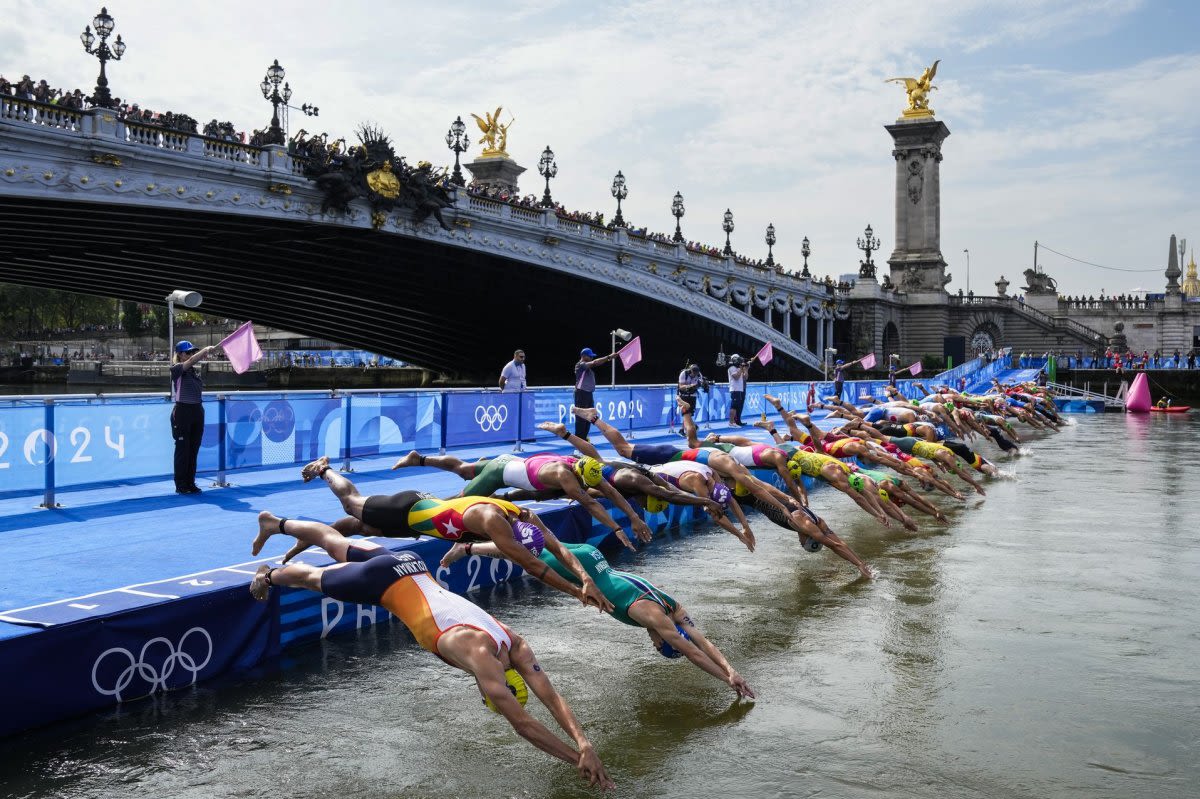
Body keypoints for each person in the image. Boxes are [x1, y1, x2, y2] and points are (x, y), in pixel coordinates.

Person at [249, 518, 615, 789]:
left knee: (334, 540)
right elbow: (522, 724)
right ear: (489, 688)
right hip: (382, 584)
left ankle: (277, 523)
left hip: (410, 564)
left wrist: (584, 743)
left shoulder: (513, 643)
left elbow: (551, 696)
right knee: (310, 578)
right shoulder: (479, 654)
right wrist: (576, 759)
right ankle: (268, 576)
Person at [442, 532, 755, 698]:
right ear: (662, 642)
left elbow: (701, 641)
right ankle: (467, 547)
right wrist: (726, 679)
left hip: (596, 561)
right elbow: (692, 652)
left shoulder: (672, 607)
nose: (655, 647)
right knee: (525, 554)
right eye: (659, 648)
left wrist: (731, 670)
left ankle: (472, 543)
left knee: (534, 544)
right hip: (587, 570)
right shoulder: (651, 616)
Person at [392, 450, 653, 548]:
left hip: (509, 461)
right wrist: (617, 527)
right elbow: (592, 503)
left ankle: (420, 459)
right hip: (500, 473)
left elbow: (610, 491)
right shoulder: (566, 477)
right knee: (458, 505)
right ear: (580, 474)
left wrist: (632, 516)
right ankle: (418, 508)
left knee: (462, 468)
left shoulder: (577, 463)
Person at [170, 340, 217, 494]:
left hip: (197, 410)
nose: (190, 354)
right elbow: (191, 361)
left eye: (192, 352)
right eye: (188, 352)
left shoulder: (194, 372)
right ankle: (181, 484)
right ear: (180, 354)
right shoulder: (177, 369)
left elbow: (192, 363)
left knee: (193, 449)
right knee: (183, 449)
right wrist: (204, 351)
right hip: (183, 411)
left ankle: (190, 482)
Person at [573, 347, 617, 438]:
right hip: (581, 394)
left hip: (588, 394)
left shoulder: (587, 368)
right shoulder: (580, 365)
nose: (592, 358)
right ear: (584, 356)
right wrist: (609, 357)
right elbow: (595, 363)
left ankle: (584, 439)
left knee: (590, 416)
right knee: (581, 418)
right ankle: (579, 442)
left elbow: (593, 363)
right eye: (590, 356)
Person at [727, 355, 749, 426]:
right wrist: (741, 369)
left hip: (739, 389)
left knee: (737, 406)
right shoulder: (731, 368)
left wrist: (745, 369)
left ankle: (734, 422)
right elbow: (736, 377)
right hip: (734, 389)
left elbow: (745, 378)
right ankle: (731, 422)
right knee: (734, 406)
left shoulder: (738, 368)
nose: (740, 363)